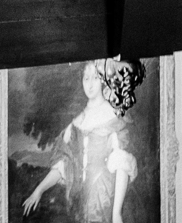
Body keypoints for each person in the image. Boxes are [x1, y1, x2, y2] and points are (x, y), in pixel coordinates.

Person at [20, 60, 139, 223]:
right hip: (79, 201)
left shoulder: (114, 116)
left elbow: (122, 165)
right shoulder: (76, 123)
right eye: (86, 78)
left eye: (95, 78)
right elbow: (64, 166)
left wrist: (116, 213)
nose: (90, 84)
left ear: (104, 80)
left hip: (105, 198)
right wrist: (38, 191)